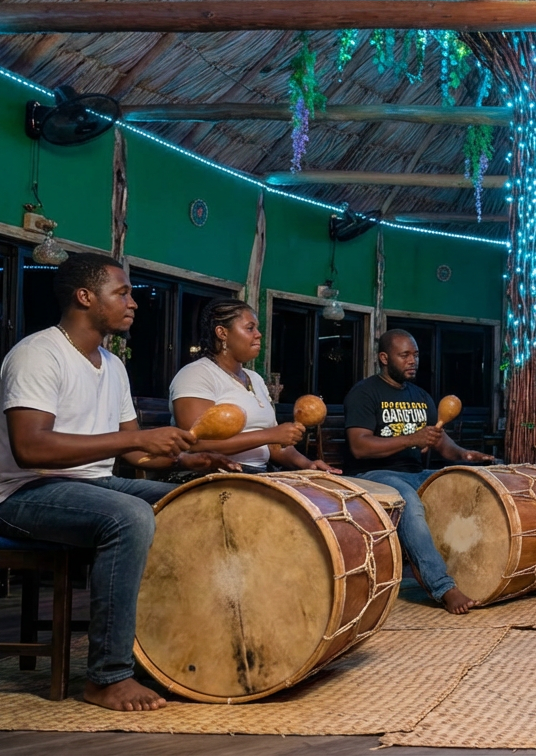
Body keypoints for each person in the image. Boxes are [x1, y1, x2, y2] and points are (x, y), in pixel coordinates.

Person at [0, 253, 235, 712]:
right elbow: (30, 448)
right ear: (85, 297)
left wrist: (190, 458)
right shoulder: (37, 354)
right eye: (122, 293)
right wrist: (141, 439)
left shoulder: (112, 364)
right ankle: (107, 676)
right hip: (24, 494)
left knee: (191, 502)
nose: (133, 303)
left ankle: (164, 653)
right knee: (129, 517)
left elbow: (132, 451)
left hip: (91, 487)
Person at [343, 329, 497, 615]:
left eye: (415, 355)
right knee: (408, 501)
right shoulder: (364, 393)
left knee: (464, 485)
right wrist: (410, 440)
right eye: (404, 355)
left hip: (415, 472)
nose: (412, 361)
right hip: (373, 476)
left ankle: (482, 570)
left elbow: (438, 440)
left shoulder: (420, 395)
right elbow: (359, 446)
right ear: (384, 358)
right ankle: (442, 587)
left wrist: (463, 455)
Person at [169, 298, 337, 474]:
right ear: (222, 333)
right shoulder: (196, 374)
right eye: (250, 328)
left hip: (258, 475)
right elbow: (196, 444)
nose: (258, 334)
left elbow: (275, 446)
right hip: (212, 476)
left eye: (256, 328)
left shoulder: (255, 379)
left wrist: (308, 466)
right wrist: (270, 435)